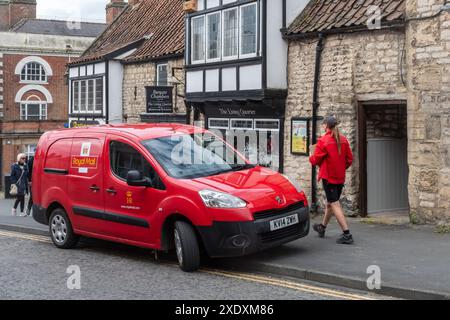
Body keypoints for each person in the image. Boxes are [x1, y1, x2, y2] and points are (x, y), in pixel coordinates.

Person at [309, 116, 354, 244]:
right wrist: (340, 168)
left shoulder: (324, 141)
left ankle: (347, 234)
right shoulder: (344, 140)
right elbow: (349, 159)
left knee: (334, 203)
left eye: (323, 124)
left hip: (329, 178)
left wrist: (310, 156)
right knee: (331, 203)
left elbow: (315, 160)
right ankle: (322, 228)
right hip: (340, 177)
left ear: (326, 126)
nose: (322, 126)